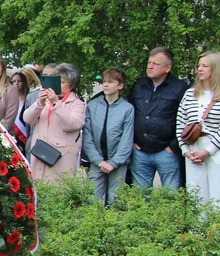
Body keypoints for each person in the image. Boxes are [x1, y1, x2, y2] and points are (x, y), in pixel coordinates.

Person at [176, 51, 220, 208]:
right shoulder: (190, 94)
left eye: (205, 66)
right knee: (196, 195)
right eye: (198, 66)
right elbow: (180, 123)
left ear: (216, 69)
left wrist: (208, 151)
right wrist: (185, 150)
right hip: (193, 147)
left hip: (219, 149)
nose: (200, 69)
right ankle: (197, 232)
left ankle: (219, 231)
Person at [128, 47, 188, 191]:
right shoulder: (138, 86)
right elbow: (129, 115)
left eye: (155, 63)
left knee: (170, 197)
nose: (150, 66)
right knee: (140, 198)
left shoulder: (180, 88)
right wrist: (131, 142)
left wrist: (172, 147)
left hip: (166, 152)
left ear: (167, 68)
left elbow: (185, 119)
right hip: (140, 151)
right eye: (149, 62)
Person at [23, 63, 86, 182]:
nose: (58, 85)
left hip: (60, 159)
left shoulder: (77, 103)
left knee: (58, 193)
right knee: (39, 190)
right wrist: (39, 104)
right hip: (39, 155)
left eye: (62, 82)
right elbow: (27, 119)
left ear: (71, 85)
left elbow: (72, 124)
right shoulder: (45, 100)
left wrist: (57, 103)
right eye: (57, 81)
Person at [82, 68, 135, 205]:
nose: (105, 85)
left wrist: (113, 162)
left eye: (110, 82)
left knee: (115, 200)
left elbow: (127, 139)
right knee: (93, 201)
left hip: (118, 163)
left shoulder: (127, 108)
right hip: (96, 162)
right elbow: (87, 137)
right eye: (104, 81)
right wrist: (98, 160)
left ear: (120, 85)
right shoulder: (92, 106)